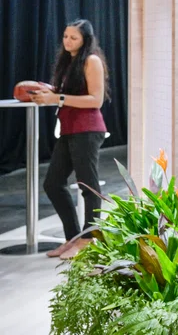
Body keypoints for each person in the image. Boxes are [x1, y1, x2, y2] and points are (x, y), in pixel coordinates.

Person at [29, 19, 109, 260]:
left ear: (85, 40)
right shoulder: (69, 62)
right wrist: (48, 92)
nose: (67, 41)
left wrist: (58, 99)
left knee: (88, 186)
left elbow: (96, 100)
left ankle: (89, 239)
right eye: (65, 36)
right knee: (53, 183)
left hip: (87, 130)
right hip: (70, 129)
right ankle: (73, 237)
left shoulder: (91, 61)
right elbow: (67, 93)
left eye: (73, 38)